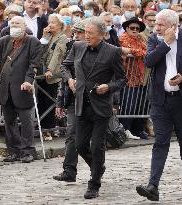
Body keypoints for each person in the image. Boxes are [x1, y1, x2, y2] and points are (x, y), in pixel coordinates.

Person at [135, 9, 182, 201]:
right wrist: (165, 43)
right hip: (161, 101)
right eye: (156, 24)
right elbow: (149, 61)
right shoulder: (154, 39)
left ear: (173, 26)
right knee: (160, 142)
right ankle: (153, 186)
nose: (156, 27)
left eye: (160, 25)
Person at [61, 16, 126, 199]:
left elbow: (122, 79)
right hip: (81, 104)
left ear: (102, 35)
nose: (86, 36)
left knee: (97, 146)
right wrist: (70, 79)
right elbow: (65, 66)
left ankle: (94, 183)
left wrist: (109, 87)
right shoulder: (77, 46)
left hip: (101, 106)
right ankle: (98, 167)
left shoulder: (113, 52)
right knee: (81, 145)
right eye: (86, 33)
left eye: (91, 33)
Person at [0, 16, 42, 163]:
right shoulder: (4, 40)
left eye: (17, 23)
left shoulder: (33, 42)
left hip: (23, 87)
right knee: (9, 121)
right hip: (5, 87)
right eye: (12, 23)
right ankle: (13, 150)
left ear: (24, 25)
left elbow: (34, 64)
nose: (14, 25)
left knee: (26, 121)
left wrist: (28, 81)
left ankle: (28, 151)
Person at [53, 20, 86, 183]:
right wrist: (59, 102)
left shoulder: (104, 49)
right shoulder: (71, 47)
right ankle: (69, 170)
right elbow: (63, 70)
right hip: (73, 99)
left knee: (92, 139)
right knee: (71, 135)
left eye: (80, 32)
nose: (76, 35)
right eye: (75, 32)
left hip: (94, 100)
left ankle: (97, 167)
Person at [38, 14, 68, 140]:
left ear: (60, 25)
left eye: (53, 23)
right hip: (41, 72)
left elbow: (57, 55)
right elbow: (39, 51)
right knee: (41, 102)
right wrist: (44, 37)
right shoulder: (48, 36)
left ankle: (48, 129)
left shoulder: (62, 37)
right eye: (49, 22)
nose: (50, 25)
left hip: (53, 74)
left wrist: (50, 70)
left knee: (50, 102)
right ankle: (40, 128)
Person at [119, 17, 148, 140]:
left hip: (139, 77)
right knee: (128, 104)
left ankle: (136, 129)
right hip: (128, 77)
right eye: (132, 28)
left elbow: (145, 51)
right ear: (126, 29)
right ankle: (124, 129)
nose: (135, 30)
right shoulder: (123, 38)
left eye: (137, 28)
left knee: (138, 105)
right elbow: (138, 52)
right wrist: (134, 51)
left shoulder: (141, 39)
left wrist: (131, 51)